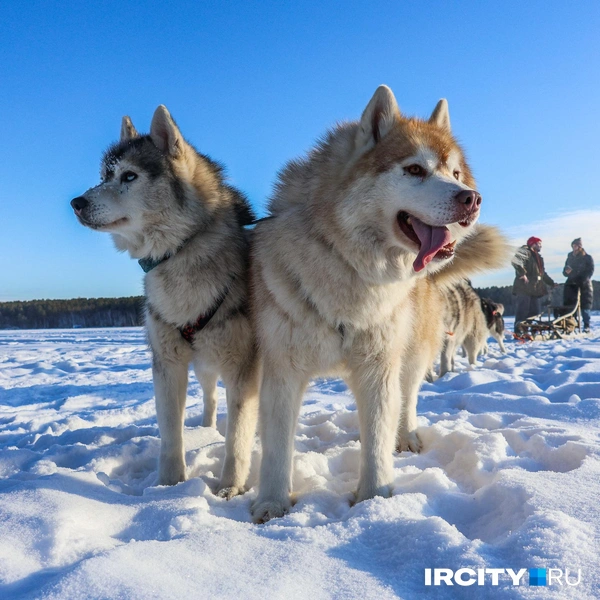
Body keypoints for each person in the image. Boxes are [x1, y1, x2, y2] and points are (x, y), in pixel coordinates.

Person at [512, 236, 555, 332]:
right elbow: (516, 262)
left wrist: (551, 283)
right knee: (522, 310)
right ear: (533, 244)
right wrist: (522, 273)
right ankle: (520, 330)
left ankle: (532, 330)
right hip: (524, 287)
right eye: (539, 244)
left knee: (535, 312)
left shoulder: (538, 258)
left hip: (535, 289)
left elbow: (542, 274)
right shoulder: (524, 251)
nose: (540, 246)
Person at [563, 237, 594, 332]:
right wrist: (566, 272)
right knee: (570, 305)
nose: (576, 247)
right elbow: (564, 272)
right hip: (571, 285)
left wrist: (582, 279)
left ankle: (586, 325)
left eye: (578, 245)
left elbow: (590, 271)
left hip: (584, 285)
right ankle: (571, 324)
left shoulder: (587, 257)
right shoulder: (569, 257)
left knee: (585, 306)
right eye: (575, 245)